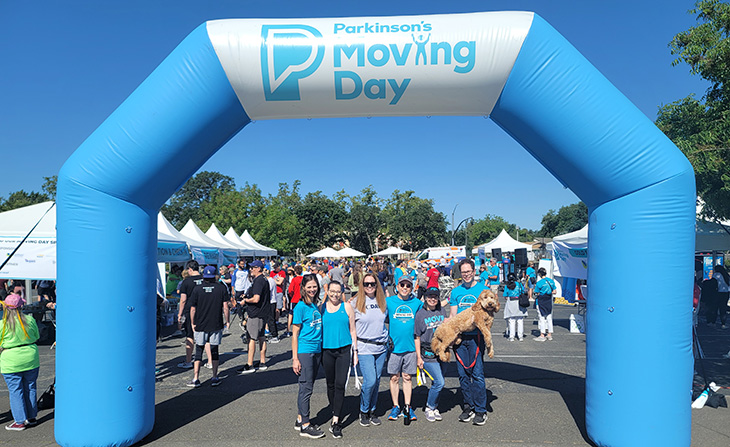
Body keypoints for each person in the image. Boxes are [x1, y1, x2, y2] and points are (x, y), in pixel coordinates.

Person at [449, 258, 489, 425]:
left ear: (474, 272)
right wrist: (451, 337)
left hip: (476, 338)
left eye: (468, 271)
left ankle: (481, 410)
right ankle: (468, 407)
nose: (466, 275)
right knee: (463, 375)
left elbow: (489, 315)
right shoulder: (455, 292)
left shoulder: (483, 290)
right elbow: (453, 316)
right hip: (460, 338)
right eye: (463, 272)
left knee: (477, 375)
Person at [321, 281, 357, 439]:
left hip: (344, 350)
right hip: (327, 350)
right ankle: (334, 408)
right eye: (332, 291)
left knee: (340, 383)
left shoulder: (347, 307)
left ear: (342, 292)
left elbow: (353, 330)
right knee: (330, 383)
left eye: (338, 291)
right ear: (327, 291)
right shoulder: (321, 308)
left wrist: (355, 352)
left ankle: (336, 421)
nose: (335, 294)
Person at [351, 272, 388, 427]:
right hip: (364, 346)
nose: (370, 287)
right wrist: (354, 350)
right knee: (370, 380)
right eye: (366, 284)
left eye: (373, 284)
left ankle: (372, 410)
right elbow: (348, 325)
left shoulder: (382, 301)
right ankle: (364, 410)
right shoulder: (355, 302)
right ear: (362, 285)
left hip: (381, 346)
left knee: (377, 380)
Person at [292, 274, 325, 438]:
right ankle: (305, 424)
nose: (312, 289)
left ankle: (300, 419)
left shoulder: (314, 305)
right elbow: (295, 334)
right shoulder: (300, 307)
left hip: (317, 350)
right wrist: (295, 358)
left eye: (314, 286)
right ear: (303, 288)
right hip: (305, 350)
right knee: (306, 387)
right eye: (309, 287)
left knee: (308, 384)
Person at [385, 275, 422, 424]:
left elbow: (429, 313)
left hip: (411, 347)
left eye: (408, 285)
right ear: (397, 286)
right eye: (402, 285)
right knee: (394, 377)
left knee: (407, 377)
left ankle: (407, 406)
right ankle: (395, 406)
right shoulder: (389, 301)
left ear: (412, 287)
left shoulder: (417, 303)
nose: (405, 288)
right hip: (394, 348)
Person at [1, 294, 40, 430]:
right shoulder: (29, 320)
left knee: (15, 390)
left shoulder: (3, 324)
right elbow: (37, 336)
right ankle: (31, 417)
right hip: (31, 357)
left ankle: (19, 421)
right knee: (30, 387)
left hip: (11, 360)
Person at [187, 266, 230, 387]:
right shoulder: (221, 288)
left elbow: (193, 309)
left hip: (200, 323)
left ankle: (196, 378)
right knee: (214, 350)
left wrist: (192, 322)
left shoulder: (197, 289)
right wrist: (227, 321)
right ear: (215, 276)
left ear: (204, 276)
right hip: (216, 323)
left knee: (199, 350)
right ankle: (215, 377)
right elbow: (225, 307)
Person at [414, 286, 449, 422]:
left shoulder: (442, 311)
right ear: (425, 298)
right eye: (430, 296)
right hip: (427, 352)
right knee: (440, 382)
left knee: (437, 382)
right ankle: (429, 406)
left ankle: (435, 407)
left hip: (442, 351)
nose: (432, 299)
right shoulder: (420, 315)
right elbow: (417, 337)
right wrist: (418, 358)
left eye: (435, 297)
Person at [238, 260, 271, 374]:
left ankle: (250, 364)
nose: (250, 269)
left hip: (256, 313)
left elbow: (256, 299)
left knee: (251, 338)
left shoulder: (258, 281)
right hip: (262, 312)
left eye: (253, 268)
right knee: (261, 337)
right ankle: (262, 362)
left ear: (258, 268)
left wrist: (245, 300)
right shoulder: (263, 280)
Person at [177, 260, 205, 369]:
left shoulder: (186, 282)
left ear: (189, 269)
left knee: (190, 336)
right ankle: (210, 362)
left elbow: (183, 300)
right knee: (205, 336)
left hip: (190, 311)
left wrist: (180, 314)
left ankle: (188, 361)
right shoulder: (204, 279)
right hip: (204, 310)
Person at [503, 273, 528, 341]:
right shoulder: (519, 284)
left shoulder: (507, 286)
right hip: (519, 302)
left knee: (511, 320)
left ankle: (511, 336)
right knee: (520, 320)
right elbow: (523, 291)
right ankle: (520, 336)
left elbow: (505, 295)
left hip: (511, 301)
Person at [533, 267, 557, 341]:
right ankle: (549, 334)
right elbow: (555, 291)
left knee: (542, 318)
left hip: (541, 301)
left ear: (539, 274)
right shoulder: (551, 281)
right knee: (549, 317)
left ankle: (542, 334)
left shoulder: (539, 283)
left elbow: (536, 292)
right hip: (549, 300)